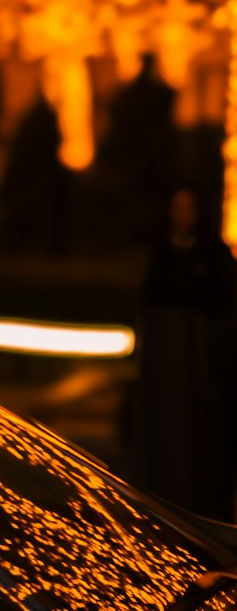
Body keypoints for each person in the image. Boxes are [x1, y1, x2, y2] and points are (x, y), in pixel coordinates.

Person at [135, 187, 237, 519]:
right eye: (176, 208)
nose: (181, 216)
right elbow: (151, 300)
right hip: (168, 370)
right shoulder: (161, 252)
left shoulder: (214, 255)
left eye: (187, 209)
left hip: (205, 373)